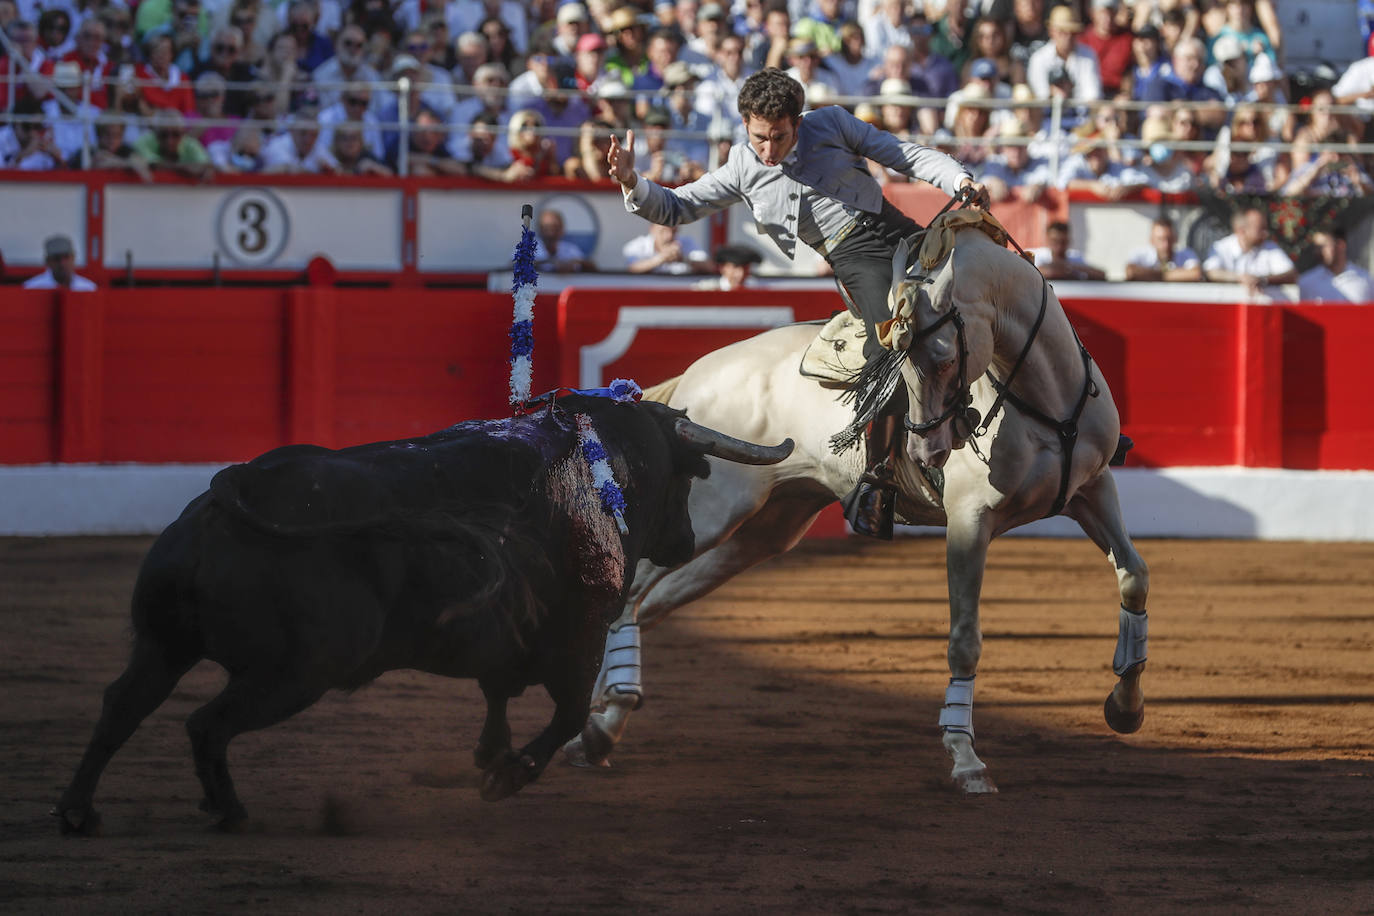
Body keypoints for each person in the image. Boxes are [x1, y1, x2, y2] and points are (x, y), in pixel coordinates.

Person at [606, 67, 989, 539]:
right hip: (856, 261)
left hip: (900, 231)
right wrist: (631, 182)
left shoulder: (832, 123)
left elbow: (902, 154)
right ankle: (877, 479)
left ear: (798, 123)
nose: (768, 150)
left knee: (991, 278)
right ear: (746, 124)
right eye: (759, 137)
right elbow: (675, 207)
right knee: (891, 349)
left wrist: (958, 180)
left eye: (779, 137)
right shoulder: (743, 167)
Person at [1202, 206, 1297, 297]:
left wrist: (1263, 280)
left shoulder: (1269, 247)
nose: (1266, 233)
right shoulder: (1221, 247)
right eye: (1260, 229)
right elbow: (1210, 272)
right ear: (1241, 231)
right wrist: (1240, 278)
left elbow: (1291, 274)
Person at [1297, 228, 1373, 303]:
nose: (1318, 252)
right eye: (1316, 247)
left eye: (1322, 246)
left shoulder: (1366, 280)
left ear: (1340, 245)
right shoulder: (1307, 282)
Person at [1125, 216, 1202, 281]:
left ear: (1176, 239)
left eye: (1169, 239)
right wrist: (1172, 275)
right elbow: (1131, 272)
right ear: (1151, 240)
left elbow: (1196, 274)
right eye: (1160, 239)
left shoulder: (1186, 254)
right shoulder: (1140, 254)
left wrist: (1154, 275)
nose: (1166, 244)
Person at [622, 223, 712, 275]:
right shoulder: (637, 246)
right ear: (652, 229)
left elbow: (709, 267)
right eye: (663, 231)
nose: (669, 236)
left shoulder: (687, 243)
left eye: (673, 231)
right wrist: (661, 258)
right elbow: (632, 268)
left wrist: (683, 259)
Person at [1031, 221, 1107, 281]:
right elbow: (1038, 273)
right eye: (1055, 241)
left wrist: (1069, 267)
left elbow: (1101, 274)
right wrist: (1070, 270)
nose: (1059, 246)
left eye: (1063, 242)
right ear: (1047, 240)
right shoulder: (1035, 255)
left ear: (1069, 241)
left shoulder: (1075, 257)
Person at [24, 234, 97, 290]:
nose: (62, 263)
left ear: (73, 258)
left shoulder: (88, 288)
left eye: (66, 257)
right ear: (47, 261)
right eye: (56, 258)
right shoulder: (32, 287)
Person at [533, 207, 596, 272]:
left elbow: (591, 267)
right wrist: (552, 263)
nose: (551, 231)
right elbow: (525, 265)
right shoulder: (531, 249)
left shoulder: (570, 249)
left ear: (562, 229)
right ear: (539, 229)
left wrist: (574, 263)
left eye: (555, 227)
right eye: (546, 227)